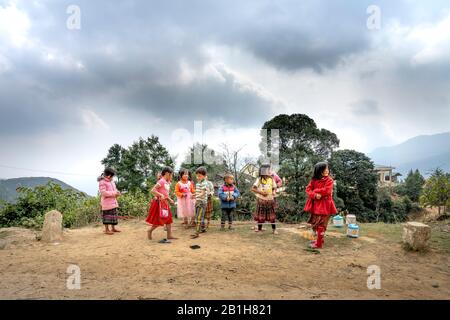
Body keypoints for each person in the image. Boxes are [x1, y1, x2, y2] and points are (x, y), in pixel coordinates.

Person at [304, 162, 337, 249]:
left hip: (325, 205)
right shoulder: (314, 180)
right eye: (325, 169)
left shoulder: (329, 180)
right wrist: (314, 195)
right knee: (316, 223)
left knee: (322, 223)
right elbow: (308, 189)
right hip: (315, 205)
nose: (327, 170)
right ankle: (319, 240)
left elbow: (327, 191)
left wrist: (315, 191)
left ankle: (318, 244)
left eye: (327, 169)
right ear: (319, 171)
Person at [146, 167, 177, 242]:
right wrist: (160, 195)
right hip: (159, 204)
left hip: (165, 203)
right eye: (171, 175)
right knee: (159, 220)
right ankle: (150, 231)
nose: (171, 176)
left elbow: (165, 194)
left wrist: (170, 200)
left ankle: (169, 235)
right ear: (167, 174)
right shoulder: (162, 181)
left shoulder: (166, 182)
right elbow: (153, 190)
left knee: (169, 219)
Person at [251, 164, 278, 234]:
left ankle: (274, 229)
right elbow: (253, 189)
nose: (270, 171)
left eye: (270, 169)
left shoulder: (271, 179)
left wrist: (274, 192)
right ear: (263, 171)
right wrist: (262, 193)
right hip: (261, 200)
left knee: (272, 216)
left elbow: (274, 187)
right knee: (261, 216)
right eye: (268, 170)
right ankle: (259, 230)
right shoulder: (259, 179)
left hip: (270, 200)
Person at [98, 167, 121, 235]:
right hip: (106, 202)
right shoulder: (102, 182)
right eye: (112, 176)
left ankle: (113, 228)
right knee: (107, 216)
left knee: (113, 216)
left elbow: (115, 189)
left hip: (113, 201)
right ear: (108, 175)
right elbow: (103, 193)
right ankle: (106, 229)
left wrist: (117, 192)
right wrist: (114, 193)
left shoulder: (112, 181)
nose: (113, 177)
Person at [191, 167, 208, 239]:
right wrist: (194, 195)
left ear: (204, 176)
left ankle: (197, 233)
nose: (198, 177)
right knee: (198, 217)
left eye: (199, 176)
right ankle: (201, 230)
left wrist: (196, 196)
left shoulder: (204, 183)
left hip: (201, 203)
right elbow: (198, 192)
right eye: (197, 175)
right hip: (198, 201)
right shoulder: (198, 183)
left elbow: (203, 193)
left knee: (198, 218)